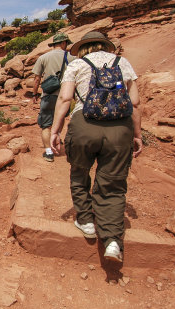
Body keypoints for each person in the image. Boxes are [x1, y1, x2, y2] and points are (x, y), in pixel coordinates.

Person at [49, 31, 142, 263]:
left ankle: (86, 220)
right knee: (112, 182)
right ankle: (111, 241)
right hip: (120, 128)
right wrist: (137, 134)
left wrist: (55, 130)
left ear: (83, 47)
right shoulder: (123, 63)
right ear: (105, 45)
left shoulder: (77, 65)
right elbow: (136, 102)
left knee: (79, 171)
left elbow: (64, 99)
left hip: (84, 124)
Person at [32, 32, 75, 162]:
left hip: (48, 96)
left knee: (45, 125)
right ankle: (56, 137)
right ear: (63, 43)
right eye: (66, 43)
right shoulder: (72, 58)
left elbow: (37, 78)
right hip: (66, 97)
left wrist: (35, 94)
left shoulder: (43, 57)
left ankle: (49, 152)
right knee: (59, 119)